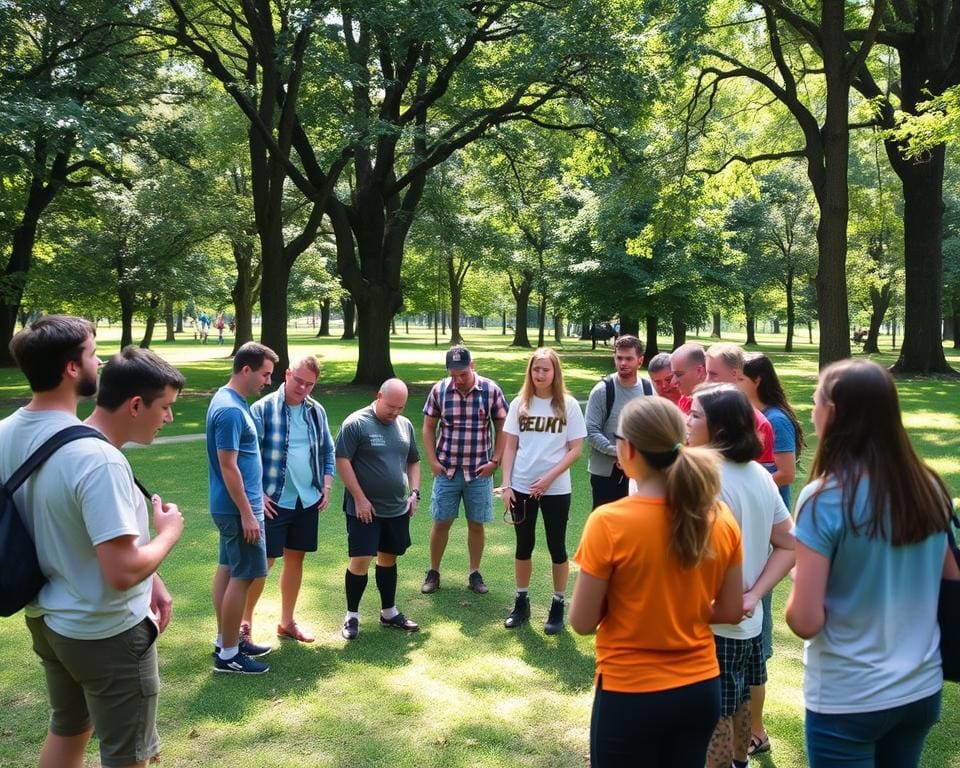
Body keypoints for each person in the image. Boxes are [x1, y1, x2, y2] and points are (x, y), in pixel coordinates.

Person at [0, 320, 185, 768]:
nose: (98, 361)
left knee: (68, 730)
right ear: (70, 368)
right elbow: (120, 572)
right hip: (105, 629)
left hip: (47, 618)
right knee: (128, 755)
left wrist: (153, 577)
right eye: (91, 353)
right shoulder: (98, 459)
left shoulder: (5, 433)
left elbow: (64, 525)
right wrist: (168, 534)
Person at [786, 359, 951, 768]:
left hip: (849, 696)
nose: (812, 410)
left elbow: (805, 621)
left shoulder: (824, 497)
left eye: (816, 401)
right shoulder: (930, 485)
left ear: (835, 413)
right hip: (920, 688)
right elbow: (952, 577)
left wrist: (799, 579)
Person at [569, 396, 744, 768]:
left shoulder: (609, 522)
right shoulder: (720, 517)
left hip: (630, 692)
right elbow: (730, 609)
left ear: (628, 449)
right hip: (700, 690)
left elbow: (582, 622)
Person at [684, 384, 795, 768]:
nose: (686, 419)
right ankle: (741, 761)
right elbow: (790, 544)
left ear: (718, 428)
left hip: (711, 622)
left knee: (713, 715)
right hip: (748, 620)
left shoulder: (701, 479)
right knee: (741, 699)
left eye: (695, 415)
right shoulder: (759, 475)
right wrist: (754, 596)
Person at [739, 351, 806, 754]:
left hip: (769, 525)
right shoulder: (757, 414)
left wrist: (735, 470)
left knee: (756, 629)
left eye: (738, 378)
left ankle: (756, 731)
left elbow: (786, 472)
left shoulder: (776, 420)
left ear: (757, 379)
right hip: (757, 523)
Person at [242, 355, 335, 644]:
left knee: (296, 560)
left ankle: (287, 621)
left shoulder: (316, 411)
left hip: (306, 500)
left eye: (310, 385)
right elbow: (248, 457)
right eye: (299, 381)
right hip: (273, 501)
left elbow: (327, 452)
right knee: (263, 563)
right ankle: (244, 624)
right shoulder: (262, 409)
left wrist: (327, 486)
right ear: (286, 374)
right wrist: (256, 494)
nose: (303, 388)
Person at [500, 348, 586, 633]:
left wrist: (549, 478)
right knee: (524, 546)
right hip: (522, 487)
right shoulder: (519, 404)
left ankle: (558, 604)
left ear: (555, 372)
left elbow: (575, 450)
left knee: (557, 546)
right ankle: (521, 602)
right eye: (536, 369)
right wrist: (508, 484)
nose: (540, 374)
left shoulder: (568, 405)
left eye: (545, 369)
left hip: (556, 489)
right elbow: (509, 446)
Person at [207, 341, 278, 674]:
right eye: (264, 374)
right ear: (246, 369)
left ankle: (227, 640)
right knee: (247, 573)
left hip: (232, 507)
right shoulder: (231, 410)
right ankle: (229, 655)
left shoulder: (229, 401)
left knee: (228, 569)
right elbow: (228, 466)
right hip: (239, 509)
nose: (267, 382)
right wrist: (248, 513)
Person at [336, 379, 421, 640]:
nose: (395, 412)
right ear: (378, 396)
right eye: (391, 406)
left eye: (400, 407)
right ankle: (351, 616)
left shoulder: (404, 425)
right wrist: (359, 498)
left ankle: (389, 612)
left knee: (388, 558)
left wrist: (415, 493)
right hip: (364, 509)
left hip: (396, 508)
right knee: (360, 559)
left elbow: (413, 460)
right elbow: (342, 460)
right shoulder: (356, 423)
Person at [421, 346, 508, 595]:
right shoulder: (439, 390)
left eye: (463, 374)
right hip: (446, 470)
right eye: (453, 374)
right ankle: (434, 571)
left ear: (473, 366)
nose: (458, 380)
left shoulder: (490, 391)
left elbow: (502, 426)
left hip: (479, 472)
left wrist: (496, 460)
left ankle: (474, 572)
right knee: (441, 522)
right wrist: (433, 461)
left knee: (476, 524)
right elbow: (428, 428)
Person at [584, 335, 652, 508]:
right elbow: (591, 431)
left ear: (640, 360)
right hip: (605, 473)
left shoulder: (649, 389)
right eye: (619, 358)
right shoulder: (602, 390)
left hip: (639, 472)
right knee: (606, 526)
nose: (623, 363)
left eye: (629, 358)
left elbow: (653, 429)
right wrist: (619, 453)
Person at [703, 342, 775, 465]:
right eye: (707, 373)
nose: (706, 380)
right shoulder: (699, 412)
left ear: (734, 374)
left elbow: (760, 475)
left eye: (713, 374)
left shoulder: (757, 423)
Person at [669, 342, 707, 414]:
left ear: (699, 371)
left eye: (678, 374)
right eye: (673, 375)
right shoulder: (684, 400)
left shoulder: (716, 407)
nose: (672, 382)